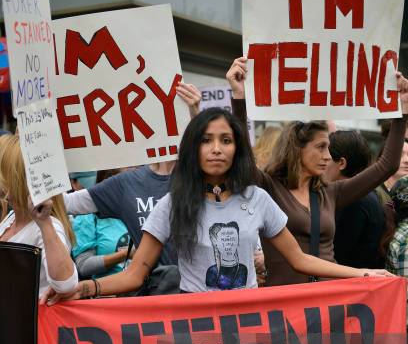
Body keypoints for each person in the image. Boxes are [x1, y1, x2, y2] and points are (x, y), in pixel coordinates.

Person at [44, 108, 390, 304]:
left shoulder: (258, 199)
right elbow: (135, 274)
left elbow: (300, 260)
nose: (217, 149)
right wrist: (83, 289)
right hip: (196, 334)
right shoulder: (173, 204)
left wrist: (362, 273)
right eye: (207, 140)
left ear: (237, 149)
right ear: (193, 148)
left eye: (226, 140)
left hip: (252, 331)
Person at [226, 56, 408, 287]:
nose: (328, 156)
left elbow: (387, 166)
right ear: (297, 149)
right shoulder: (269, 188)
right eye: (321, 147)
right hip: (284, 304)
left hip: (328, 301)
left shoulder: (331, 193)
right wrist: (239, 98)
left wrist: (401, 110)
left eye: (329, 148)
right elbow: (241, 158)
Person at [63, 82, 202, 269]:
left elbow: (241, 174)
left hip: (200, 291)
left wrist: (196, 115)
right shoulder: (127, 183)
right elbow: (67, 204)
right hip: (155, 291)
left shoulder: (197, 175)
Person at [0, 135, 77, 297]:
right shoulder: (12, 218)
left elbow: (66, 285)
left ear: (15, 179)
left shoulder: (47, 226)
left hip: (30, 321)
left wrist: (44, 223)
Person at [326, 130, 386, 268]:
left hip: (351, 283)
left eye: (326, 158)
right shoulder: (365, 194)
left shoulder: (354, 200)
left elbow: (337, 253)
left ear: (341, 163)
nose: (321, 163)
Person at [70, 169, 131, 279]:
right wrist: (124, 254)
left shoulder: (139, 209)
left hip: (148, 290)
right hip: (110, 293)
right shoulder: (87, 218)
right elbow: (83, 266)